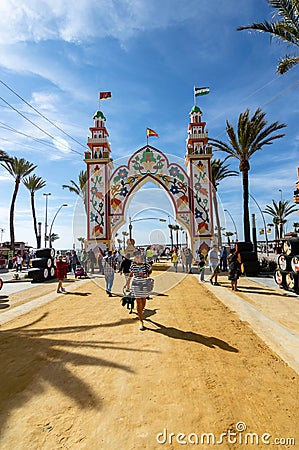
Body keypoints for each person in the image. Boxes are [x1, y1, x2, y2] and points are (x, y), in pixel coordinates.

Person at [130, 250, 152, 331]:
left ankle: (141, 311)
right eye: (136, 255)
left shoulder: (146, 264)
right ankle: (141, 321)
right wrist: (127, 283)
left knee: (143, 301)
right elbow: (131, 274)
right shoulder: (133, 265)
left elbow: (150, 270)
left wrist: (148, 274)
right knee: (138, 301)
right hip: (136, 284)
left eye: (138, 255)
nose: (137, 256)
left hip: (144, 284)